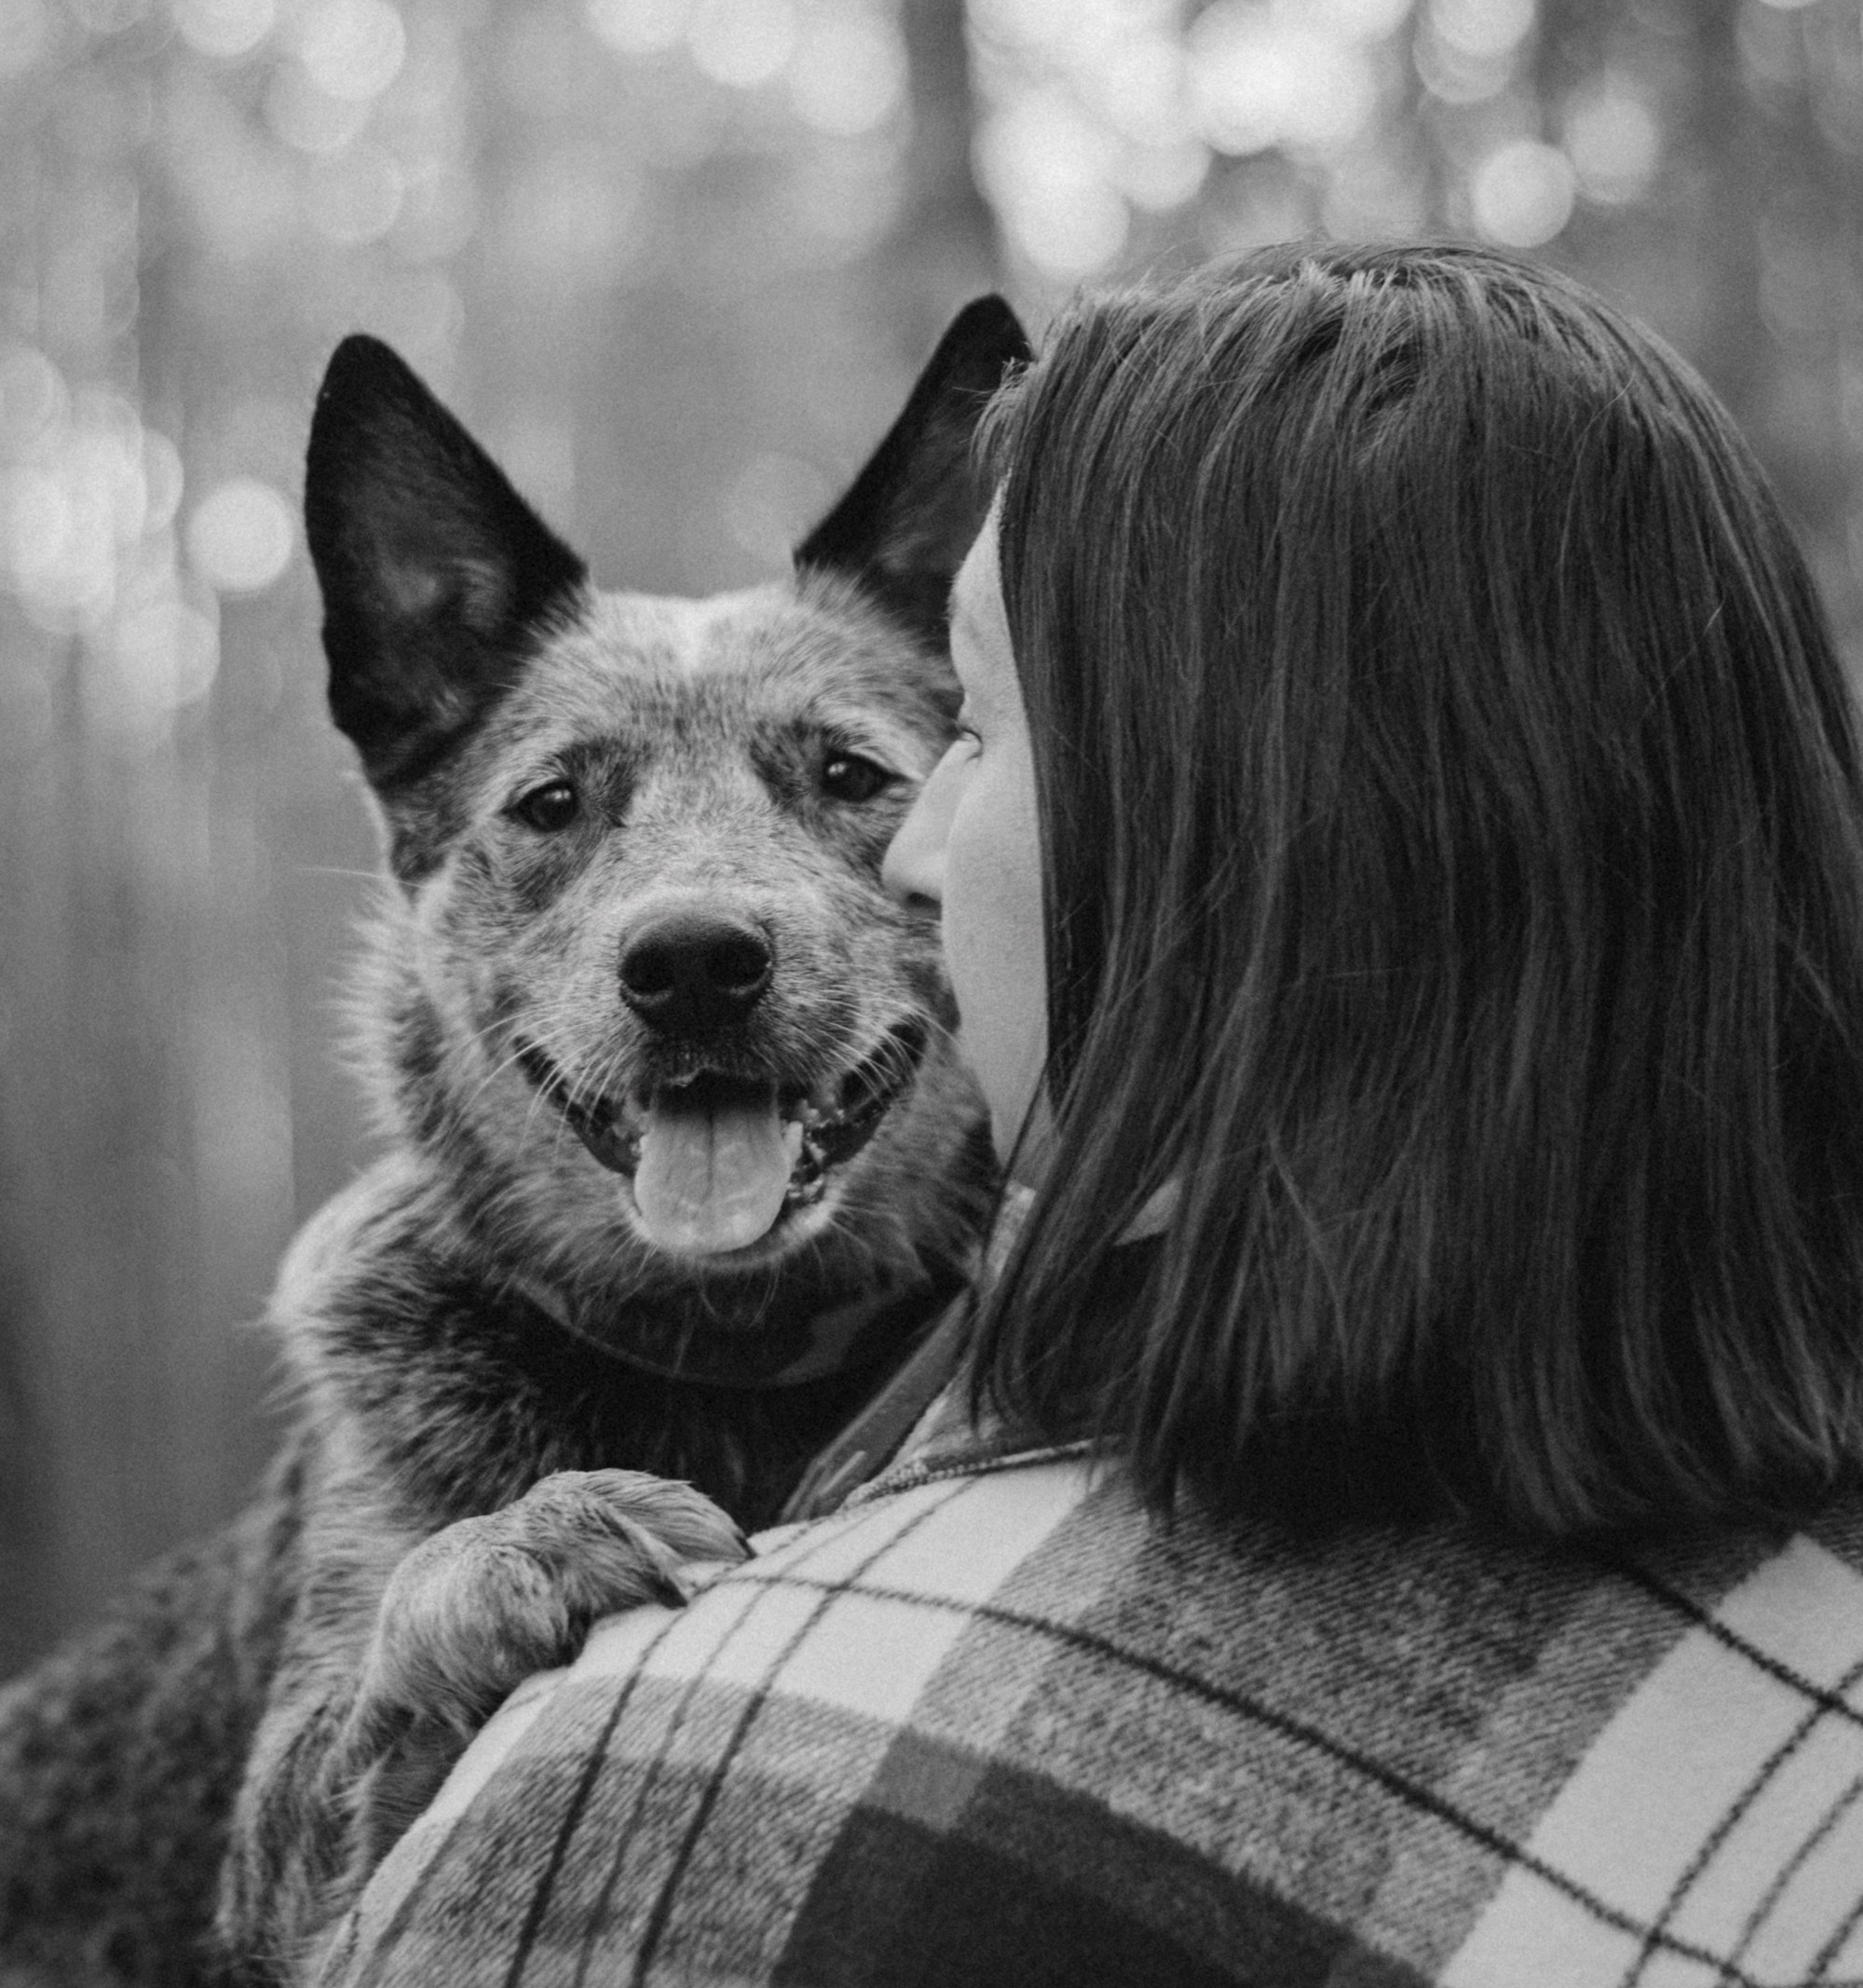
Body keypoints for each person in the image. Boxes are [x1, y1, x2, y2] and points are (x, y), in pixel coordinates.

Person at [319, 244, 1863, 1988]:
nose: (697, 911)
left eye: (880, 765)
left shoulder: (691, 1786)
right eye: (553, 804)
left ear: (1246, 858)